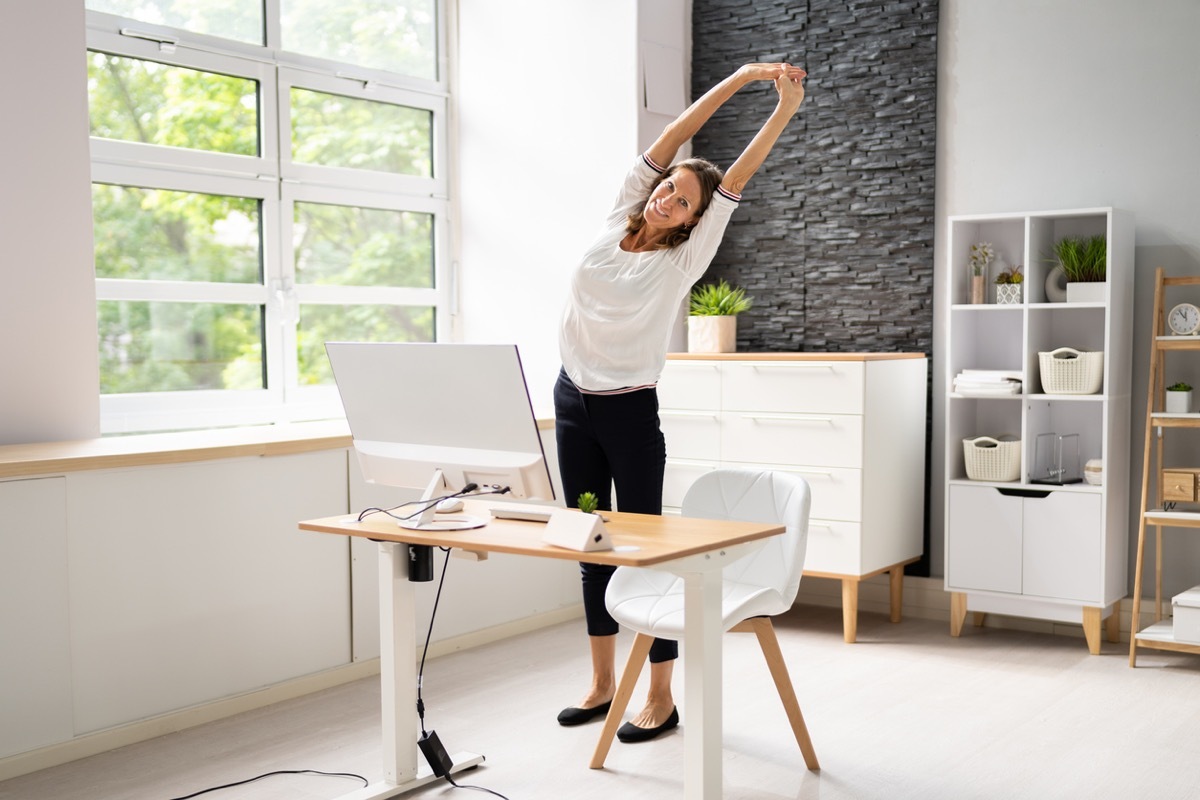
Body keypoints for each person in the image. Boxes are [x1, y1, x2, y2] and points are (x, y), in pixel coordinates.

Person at [553, 62, 807, 742]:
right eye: (669, 187)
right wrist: (743, 77)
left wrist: (780, 109)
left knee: (648, 553)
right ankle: (604, 683)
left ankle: (660, 696)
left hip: (629, 417)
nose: (670, 199)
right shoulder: (619, 217)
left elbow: (740, 176)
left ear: (697, 218)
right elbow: (675, 131)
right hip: (572, 403)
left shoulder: (682, 260)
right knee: (590, 541)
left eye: (685, 201)